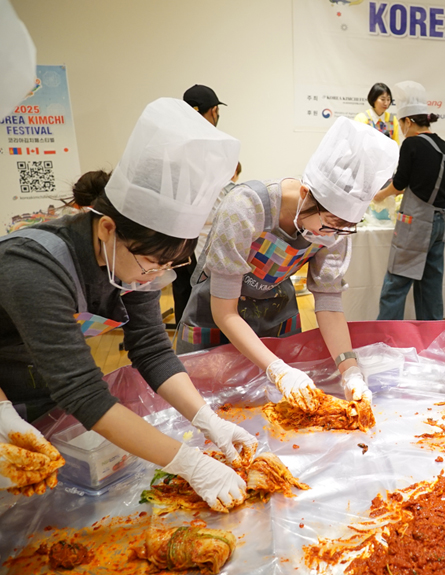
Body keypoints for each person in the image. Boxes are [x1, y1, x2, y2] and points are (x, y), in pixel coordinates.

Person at [0, 98, 258, 510]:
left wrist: (207, 420)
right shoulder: (33, 266)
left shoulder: (131, 262)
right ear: (107, 228)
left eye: (170, 265)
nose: (155, 276)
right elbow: (83, 391)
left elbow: (152, 349)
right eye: (153, 262)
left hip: (48, 398)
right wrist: (189, 463)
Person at [177, 117, 398, 410]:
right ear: (306, 194)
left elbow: (329, 302)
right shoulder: (245, 208)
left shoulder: (337, 230)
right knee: (213, 411)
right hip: (215, 317)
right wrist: (277, 369)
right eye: (330, 223)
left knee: (277, 414)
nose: (332, 235)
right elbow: (225, 312)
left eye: (345, 227)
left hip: (275, 314)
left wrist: (350, 370)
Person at [374, 81, 445, 321]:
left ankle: (385, 339)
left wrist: (379, 195)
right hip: (440, 223)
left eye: (401, 124)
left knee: (396, 284)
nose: (401, 129)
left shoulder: (412, 143)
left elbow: (399, 184)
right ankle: (430, 341)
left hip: (416, 223)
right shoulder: (443, 144)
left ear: (408, 121)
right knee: (429, 287)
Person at [172, 84, 230, 322]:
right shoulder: (219, 144)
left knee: (183, 296)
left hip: (174, 236)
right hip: (206, 237)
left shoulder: (172, 142)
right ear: (213, 110)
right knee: (207, 304)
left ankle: (181, 352)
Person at [195, 161, 241, 260]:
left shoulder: (200, 183)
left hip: (189, 240)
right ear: (234, 174)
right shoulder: (235, 191)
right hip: (212, 245)